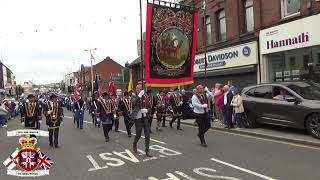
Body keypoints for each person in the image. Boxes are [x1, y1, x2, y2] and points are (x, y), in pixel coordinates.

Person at [132, 85, 152, 157]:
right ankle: (135, 143)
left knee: (147, 134)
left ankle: (147, 150)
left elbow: (150, 107)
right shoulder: (133, 96)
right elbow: (133, 103)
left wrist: (147, 110)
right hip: (138, 118)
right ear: (136, 89)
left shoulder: (145, 97)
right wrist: (139, 96)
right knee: (139, 133)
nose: (140, 91)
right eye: (139, 89)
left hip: (145, 117)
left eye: (141, 89)